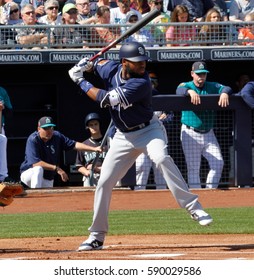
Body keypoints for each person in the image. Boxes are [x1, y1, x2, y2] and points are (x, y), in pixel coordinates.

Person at [68, 41, 213, 251]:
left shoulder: (142, 83)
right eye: (138, 61)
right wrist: (87, 63)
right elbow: (98, 62)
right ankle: (96, 236)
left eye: (144, 61)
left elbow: (104, 99)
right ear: (124, 62)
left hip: (148, 130)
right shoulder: (111, 69)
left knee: (161, 157)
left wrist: (79, 80)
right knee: (104, 182)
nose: (143, 64)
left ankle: (193, 207)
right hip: (122, 136)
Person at [176, 61, 232, 189]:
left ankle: (210, 191)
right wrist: (190, 92)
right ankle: (197, 195)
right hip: (190, 132)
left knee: (218, 163)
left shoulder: (211, 85)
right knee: (193, 168)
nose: (201, 77)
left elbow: (227, 87)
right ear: (192, 74)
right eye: (198, 74)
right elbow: (179, 89)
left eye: (204, 74)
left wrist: (224, 93)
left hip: (208, 133)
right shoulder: (187, 85)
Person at [20, 116, 102, 189]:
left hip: (48, 177)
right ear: (39, 129)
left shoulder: (57, 136)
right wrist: (57, 168)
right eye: (45, 128)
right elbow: (36, 163)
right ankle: (35, 198)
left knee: (46, 199)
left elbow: (74, 145)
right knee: (38, 169)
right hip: (29, 173)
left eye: (51, 128)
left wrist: (94, 149)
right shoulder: (33, 139)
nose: (49, 131)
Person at [75, 113, 108, 187]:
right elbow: (79, 165)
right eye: (91, 125)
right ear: (88, 127)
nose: (94, 127)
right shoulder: (84, 145)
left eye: (96, 124)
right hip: (90, 176)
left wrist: (99, 168)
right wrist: (86, 172)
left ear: (99, 125)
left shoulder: (108, 142)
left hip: (106, 174)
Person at [0, 85, 13, 183]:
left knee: (2, 139)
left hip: (0, 126)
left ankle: (3, 176)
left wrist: (3, 108)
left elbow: (10, 112)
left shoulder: (2, 91)